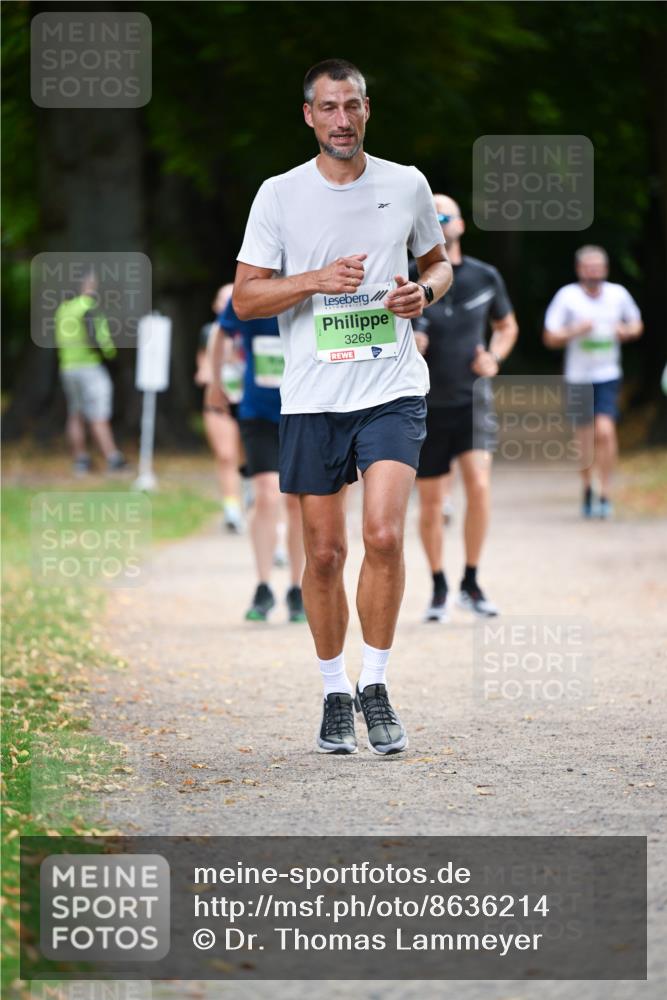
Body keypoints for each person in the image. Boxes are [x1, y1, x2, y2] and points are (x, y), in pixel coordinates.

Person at [232, 59, 452, 755]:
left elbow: (438, 261)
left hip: (390, 385)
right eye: (327, 107)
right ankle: (333, 690)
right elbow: (245, 297)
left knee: (383, 535)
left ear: (366, 110)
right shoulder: (278, 195)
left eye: (352, 105)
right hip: (311, 396)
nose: (341, 119)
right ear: (308, 115)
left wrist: (426, 292)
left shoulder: (406, 183)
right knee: (324, 553)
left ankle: (376, 684)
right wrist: (315, 281)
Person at [414, 195, 518, 621]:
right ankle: (438, 585)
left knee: (478, 483)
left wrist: (494, 358)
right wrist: (407, 345)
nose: (439, 221)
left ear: (461, 225)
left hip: (471, 399)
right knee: (432, 502)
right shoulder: (408, 278)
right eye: (431, 216)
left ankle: (471, 581)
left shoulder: (484, 276)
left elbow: (506, 325)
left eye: (445, 215)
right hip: (423, 404)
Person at [206, 302, 306, 623]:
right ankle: (263, 586)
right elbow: (221, 330)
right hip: (258, 413)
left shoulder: (310, 282)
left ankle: (296, 587)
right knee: (267, 493)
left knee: (296, 502)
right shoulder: (252, 292)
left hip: (304, 410)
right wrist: (215, 380)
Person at [543, 246, 643, 519]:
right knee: (585, 439)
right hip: (578, 378)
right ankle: (588, 486)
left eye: (598, 268)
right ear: (579, 270)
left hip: (608, 374)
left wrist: (626, 331)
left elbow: (637, 325)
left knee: (606, 432)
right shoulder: (567, 297)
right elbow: (549, 337)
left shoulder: (618, 294)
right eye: (588, 267)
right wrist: (575, 330)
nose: (594, 273)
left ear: (605, 270)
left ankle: (606, 492)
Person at [55, 271, 127, 475]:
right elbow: (96, 336)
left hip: (68, 367)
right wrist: (109, 356)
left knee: (75, 414)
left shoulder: (63, 309)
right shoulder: (88, 306)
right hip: (90, 366)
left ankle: (81, 460)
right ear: (88, 285)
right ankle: (112, 458)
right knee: (99, 414)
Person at [195, 284, 245, 533]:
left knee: (251, 458)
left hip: (248, 399)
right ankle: (231, 509)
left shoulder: (251, 329)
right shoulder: (209, 332)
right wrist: (208, 374)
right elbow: (202, 366)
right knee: (226, 455)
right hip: (219, 400)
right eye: (222, 300)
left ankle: (255, 501)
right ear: (216, 305)